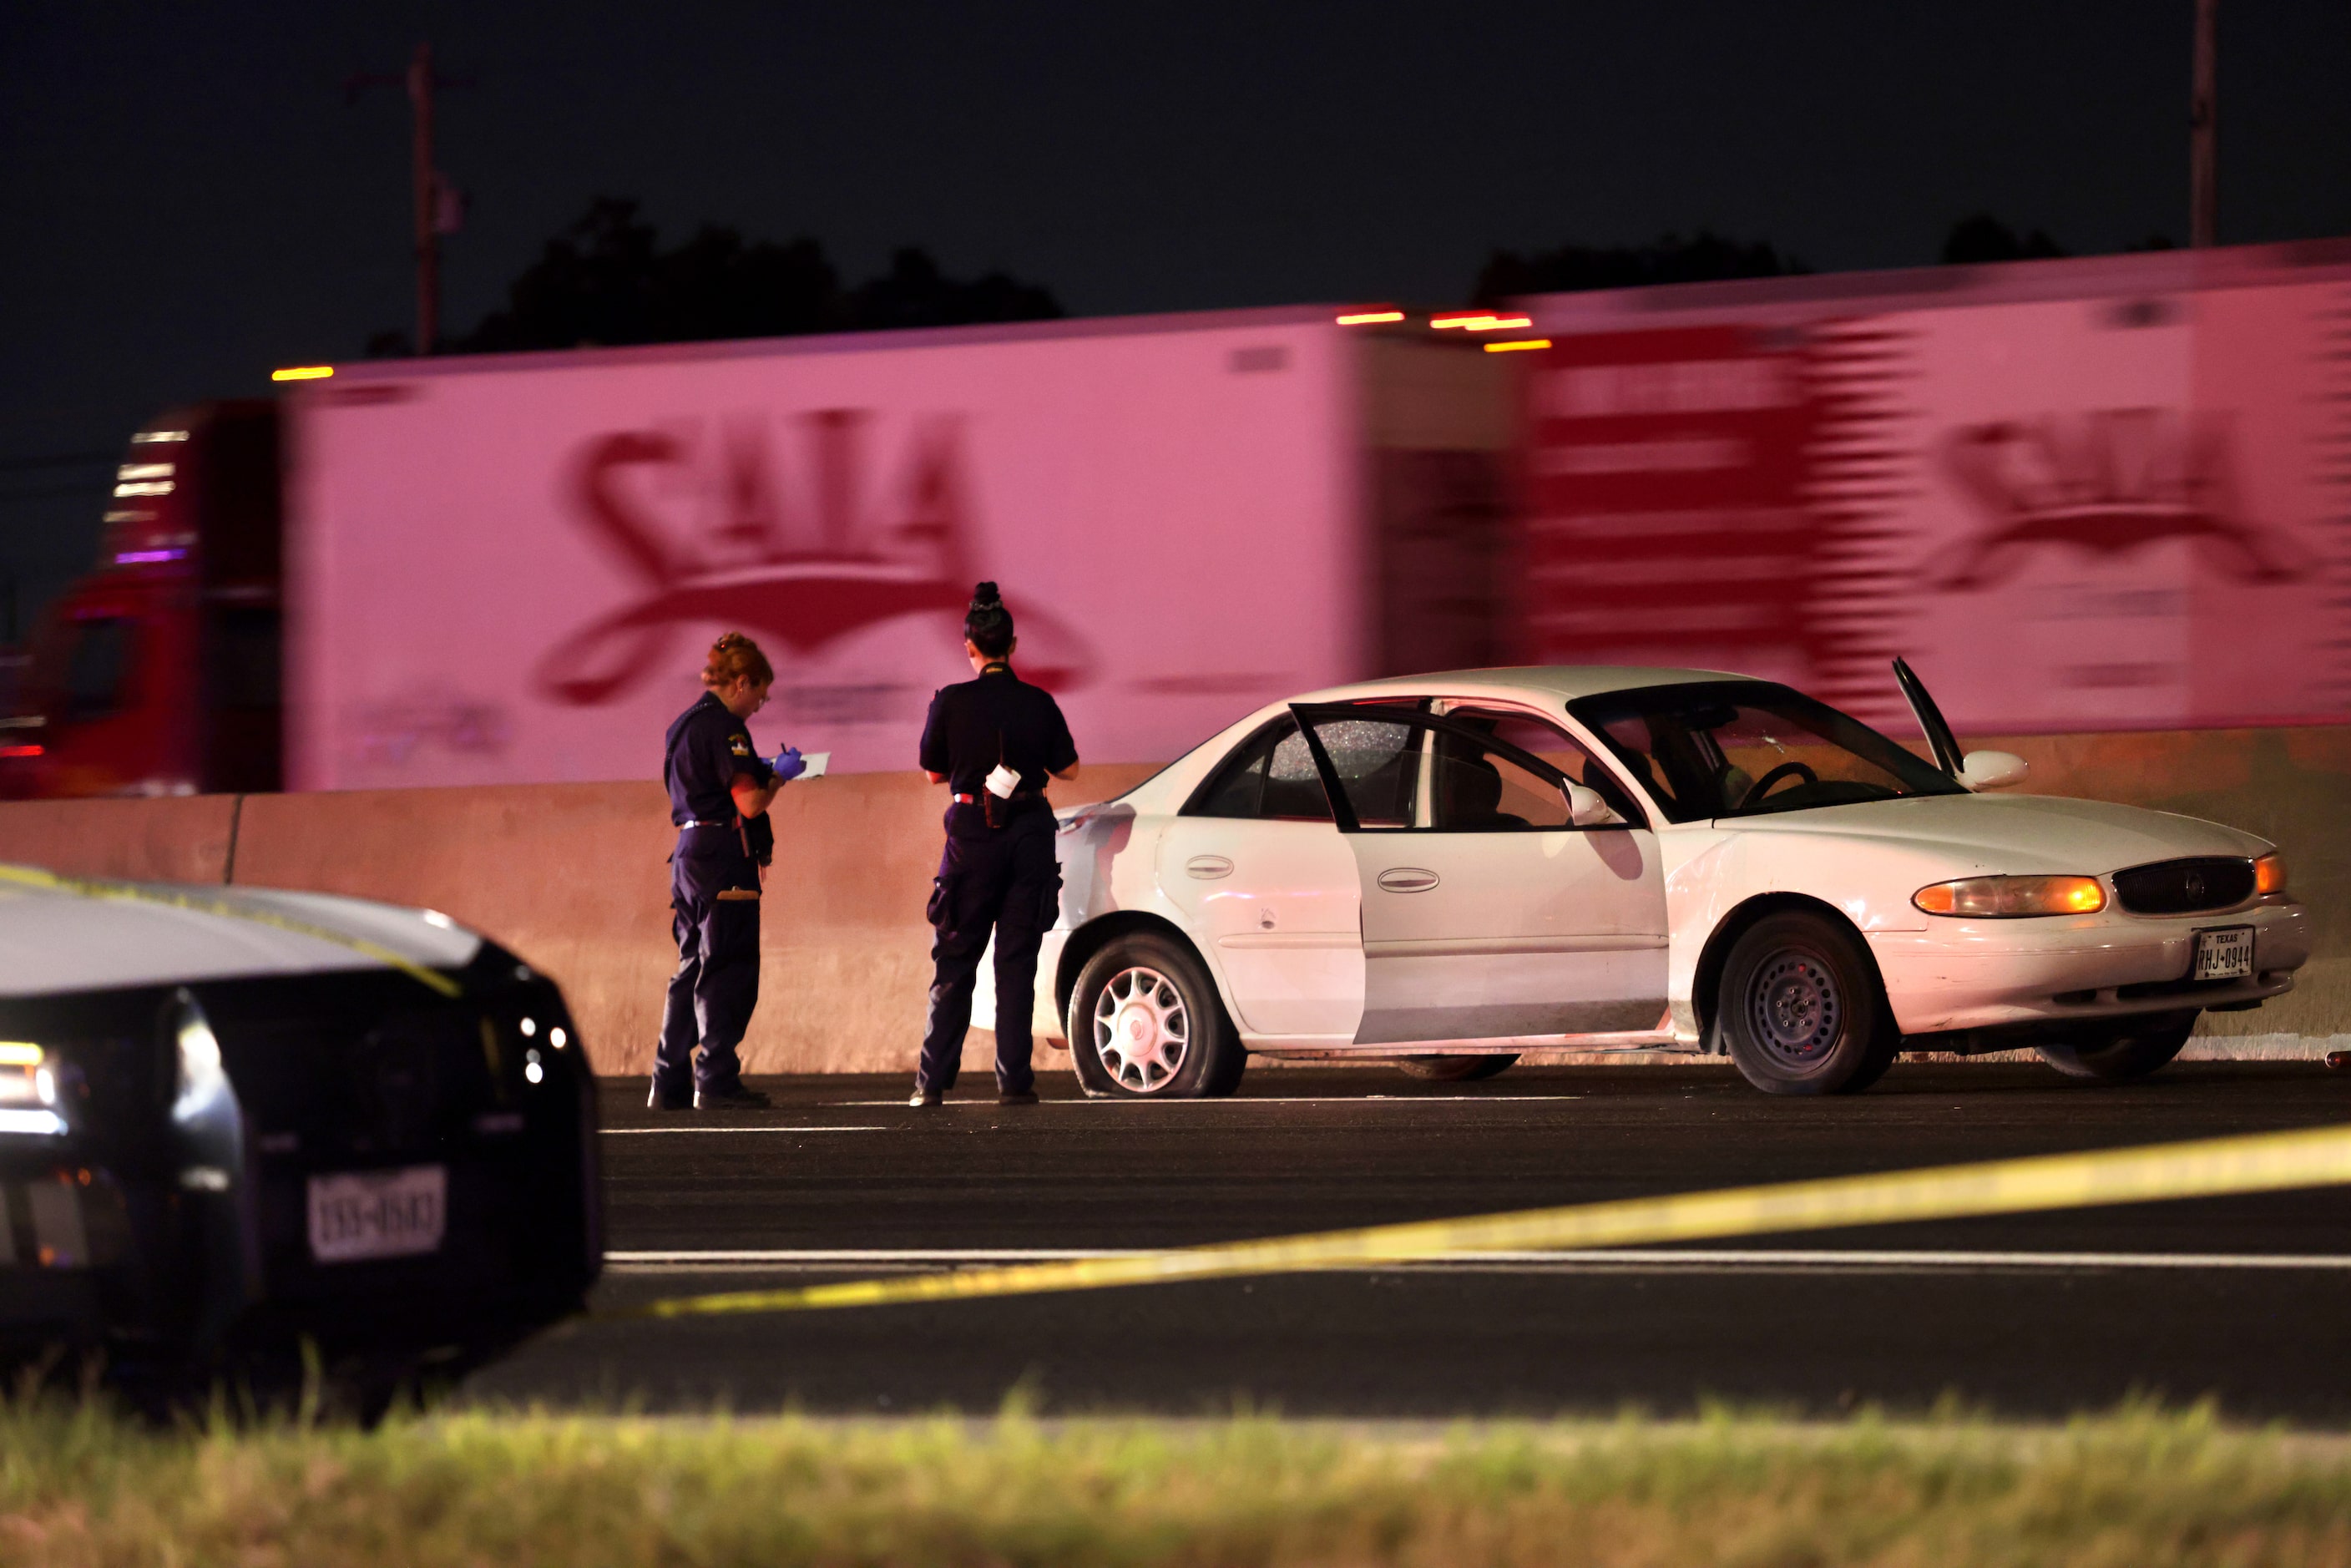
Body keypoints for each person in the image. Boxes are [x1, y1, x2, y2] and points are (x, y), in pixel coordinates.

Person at [911, 582, 1079, 1107]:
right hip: (1028, 834)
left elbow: (934, 772)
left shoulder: (951, 702)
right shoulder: (1039, 702)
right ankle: (1014, 1083)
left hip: (969, 840)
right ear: (1014, 644)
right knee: (1016, 964)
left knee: (956, 961)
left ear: (970, 647)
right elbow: (1069, 769)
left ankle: (931, 1084)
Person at [650, 631, 806, 1111]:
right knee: (729, 968)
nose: (760, 705)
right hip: (722, 854)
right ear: (741, 683)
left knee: (691, 966)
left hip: (688, 852)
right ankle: (715, 1078)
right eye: (759, 694)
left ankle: (668, 1081)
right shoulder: (726, 729)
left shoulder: (683, 724)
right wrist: (780, 774)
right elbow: (750, 803)